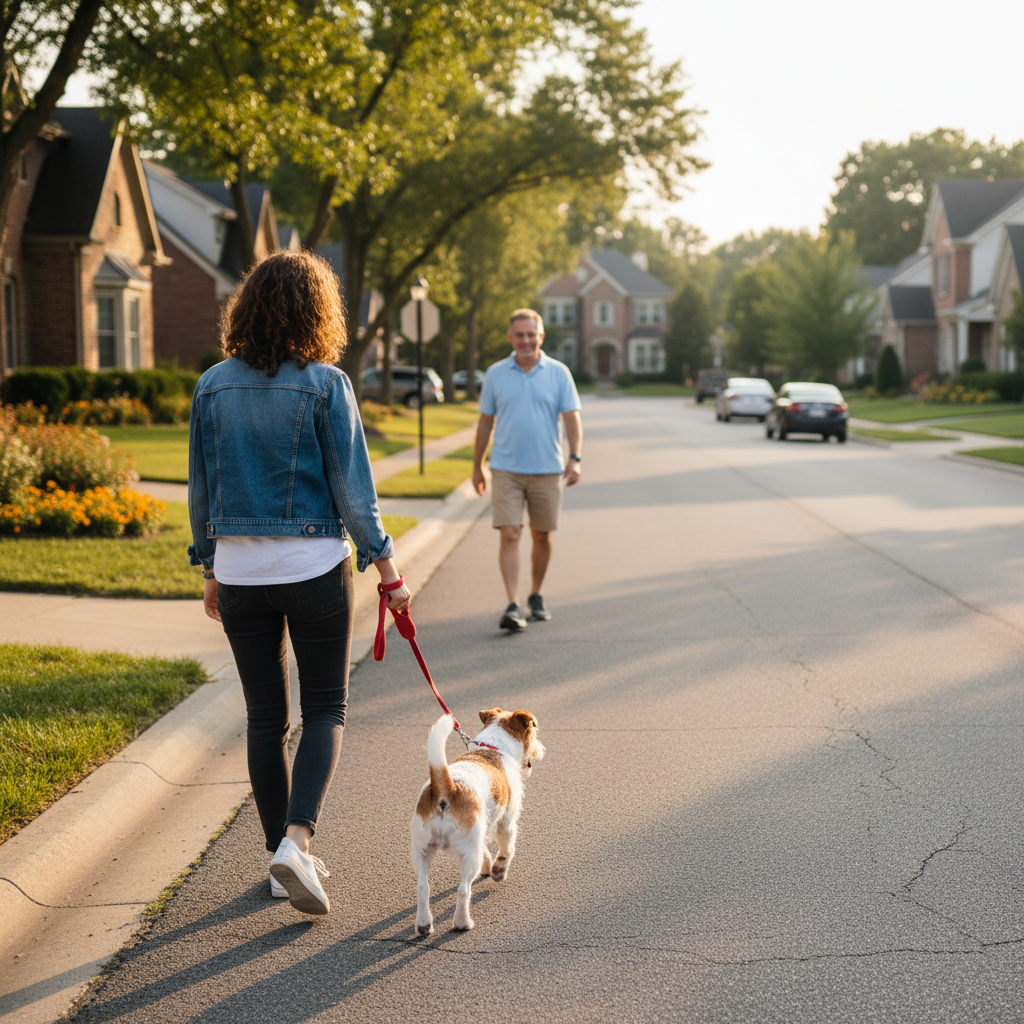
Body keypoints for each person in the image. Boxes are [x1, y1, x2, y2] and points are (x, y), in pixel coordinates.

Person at [187, 251, 410, 916]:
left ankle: (280, 856)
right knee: (325, 709)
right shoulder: (326, 383)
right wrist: (387, 568)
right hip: (313, 568)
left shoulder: (211, 385)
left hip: (239, 573)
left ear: (247, 307)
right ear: (318, 311)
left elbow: (201, 489)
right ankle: (296, 842)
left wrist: (209, 566)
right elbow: (352, 489)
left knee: (265, 717)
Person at [471, 308, 582, 631]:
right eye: (519, 335)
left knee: (541, 535)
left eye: (531, 335)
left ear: (541, 337)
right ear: (510, 338)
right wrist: (477, 467)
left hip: (548, 468)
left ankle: (535, 594)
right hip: (506, 468)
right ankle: (512, 604)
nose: (525, 340)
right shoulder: (495, 374)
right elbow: (485, 422)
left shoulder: (559, 373)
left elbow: (572, 418)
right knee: (510, 533)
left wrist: (575, 458)